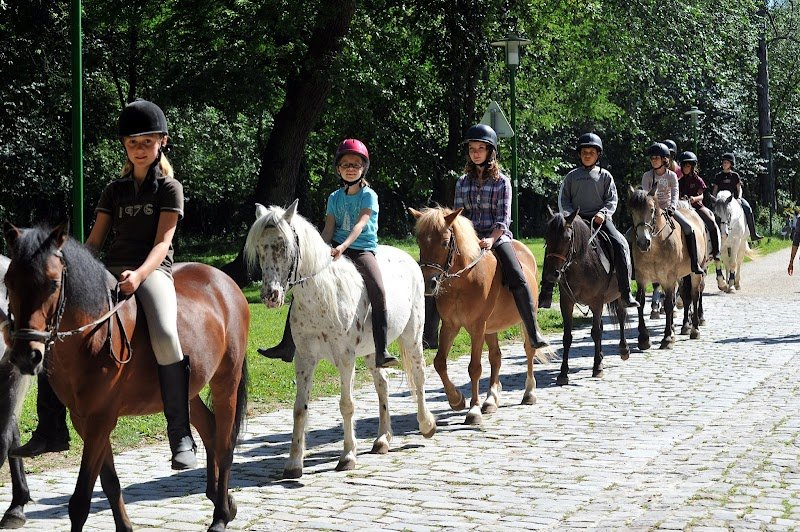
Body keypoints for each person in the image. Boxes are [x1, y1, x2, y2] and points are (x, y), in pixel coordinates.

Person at [12, 99, 197, 471]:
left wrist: (141, 275)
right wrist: (76, 267)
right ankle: (51, 427)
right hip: (110, 270)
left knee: (163, 331)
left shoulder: (170, 188)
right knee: (55, 327)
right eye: (132, 142)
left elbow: (163, 243)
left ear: (162, 142)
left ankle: (180, 434)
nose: (139, 148)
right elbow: (95, 241)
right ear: (125, 147)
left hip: (153, 271)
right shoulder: (114, 190)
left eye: (147, 141)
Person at [258, 139, 399, 369]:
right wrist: (318, 249)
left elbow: (361, 224)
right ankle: (287, 344)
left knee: (378, 288)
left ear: (364, 168)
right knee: (302, 286)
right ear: (338, 169)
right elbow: (329, 228)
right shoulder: (334, 197)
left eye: (355, 164)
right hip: (334, 248)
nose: (350, 168)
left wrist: (344, 247)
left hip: (361, 248)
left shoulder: (368, 195)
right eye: (345, 164)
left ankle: (381, 349)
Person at [454, 124, 549, 348]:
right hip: (468, 239)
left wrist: (491, 239)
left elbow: (503, 219)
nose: (475, 153)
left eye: (480, 148)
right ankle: (430, 331)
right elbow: (459, 216)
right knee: (438, 267)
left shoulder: (502, 182)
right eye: (472, 149)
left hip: (496, 236)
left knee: (517, 274)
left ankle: (532, 329)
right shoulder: (462, 182)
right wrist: (466, 238)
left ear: (490, 152)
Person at [541, 132, 639, 309]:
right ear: (579, 154)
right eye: (584, 152)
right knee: (553, 244)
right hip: (574, 221)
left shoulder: (605, 176)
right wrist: (571, 216)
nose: (587, 155)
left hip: (599, 220)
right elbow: (563, 200)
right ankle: (546, 291)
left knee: (619, 243)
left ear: (598, 155)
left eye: (591, 152)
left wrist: (603, 213)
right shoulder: (571, 176)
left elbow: (612, 200)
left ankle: (625, 291)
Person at [641, 143, 704, 274]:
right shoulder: (647, 176)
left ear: (664, 159)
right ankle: (634, 269)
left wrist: (673, 207)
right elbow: (645, 196)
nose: (653, 160)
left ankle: (694, 263)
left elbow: (675, 192)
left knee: (688, 228)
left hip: (669, 209)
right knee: (631, 234)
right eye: (652, 158)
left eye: (656, 158)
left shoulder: (671, 176)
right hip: (651, 212)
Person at [677, 151, 721, 261]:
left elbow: (701, 195)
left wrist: (693, 199)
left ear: (692, 167)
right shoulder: (679, 181)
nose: (686, 168)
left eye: (688, 166)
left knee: (711, 223)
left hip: (697, 206)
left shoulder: (697, 180)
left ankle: (716, 251)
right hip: (683, 208)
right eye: (684, 165)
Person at [711, 153, 762, 241]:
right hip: (721, 201)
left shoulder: (735, 176)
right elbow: (715, 189)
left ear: (731, 164)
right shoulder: (718, 176)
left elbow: (739, 189)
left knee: (747, 208)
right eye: (723, 162)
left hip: (733, 199)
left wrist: (739, 198)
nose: (724, 164)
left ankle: (753, 233)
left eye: (726, 162)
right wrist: (714, 199)